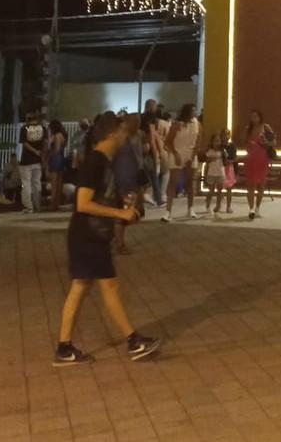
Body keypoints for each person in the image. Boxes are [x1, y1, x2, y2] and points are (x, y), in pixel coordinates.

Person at [54, 112, 160, 365]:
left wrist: (122, 203)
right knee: (100, 287)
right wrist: (120, 213)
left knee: (86, 287)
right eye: (122, 132)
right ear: (112, 133)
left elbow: (99, 196)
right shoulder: (96, 161)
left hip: (91, 234)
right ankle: (132, 340)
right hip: (89, 235)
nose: (126, 137)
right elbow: (83, 203)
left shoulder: (103, 160)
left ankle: (65, 347)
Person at [161, 104, 202, 222]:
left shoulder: (197, 124)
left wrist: (192, 157)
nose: (195, 113)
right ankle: (168, 212)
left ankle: (191, 208)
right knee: (173, 182)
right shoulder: (177, 124)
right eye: (192, 111)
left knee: (190, 182)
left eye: (195, 111)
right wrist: (176, 154)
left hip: (191, 153)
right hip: (177, 152)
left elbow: (198, 142)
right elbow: (167, 142)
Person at [112, 114, 145, 254]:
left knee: (129, 211)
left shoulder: (138, 137)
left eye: (139, 122)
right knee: (123, 212)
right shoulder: (121, 138)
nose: (137, 125)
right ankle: (119, 244)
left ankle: (117, 239)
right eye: (134, 122)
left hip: (133, 181)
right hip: (122, 181)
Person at [243, 111, 274, 220]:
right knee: (251, 184)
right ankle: (251, 209)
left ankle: (257, 208)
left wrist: (265, 142)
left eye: (256, 116)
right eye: (252, 117)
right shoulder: (248, 129)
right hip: (251, 158)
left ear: (260, 117)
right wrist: (249, 145)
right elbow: (244, 143)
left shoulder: (266, 127)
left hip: (262, 158)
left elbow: (273, 142)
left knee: (261, 185)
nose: (254, 119)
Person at [18, 110, 47, 214]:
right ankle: (37, 206)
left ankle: (28, 207)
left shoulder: (24, 128)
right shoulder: (42, 128)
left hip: (26, 160)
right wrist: (41, 155)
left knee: (26, 184)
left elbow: (24, 143)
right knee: (36, 183)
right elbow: (45, 143)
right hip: (37, 161)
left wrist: (34, 151)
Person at [140, 99, 164, 206]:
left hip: (140, 149)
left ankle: (156, 199)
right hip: (148, 151)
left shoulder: (140, 117)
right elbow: (152, 138)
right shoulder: (151, 120)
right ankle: (156, 198)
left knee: (146, 175)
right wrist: (156, 155)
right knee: (153, 175)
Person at [203, 133, 227, 219]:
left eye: (218, 141)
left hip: (220, 173)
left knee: (219, 191)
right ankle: (208, 205)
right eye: (215, 141)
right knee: (211, 191)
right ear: (212, 142)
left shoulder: (223, 151)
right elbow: (206, 162)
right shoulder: (209, 151)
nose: (217, 143)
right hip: (211, 173)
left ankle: (217, 207)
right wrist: (205, 174)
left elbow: (226, 161)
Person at [47, 120, 68, 210]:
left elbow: (56, 149)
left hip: (55, 159)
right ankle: (57, 203)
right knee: (59, 183)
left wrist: (49, 155)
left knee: (54, 184)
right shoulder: (63, 135)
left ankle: (53, 204)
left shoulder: (56, 136)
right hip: (61, 159)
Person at [220, 128, 237, 214]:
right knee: (219, 187)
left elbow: (235, 158)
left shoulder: (232, 146)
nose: (225, 136)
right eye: (224, 134)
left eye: (227, 134)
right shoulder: (219, 146)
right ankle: (219, 205)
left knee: (229, 188)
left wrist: (229, 161)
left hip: (229, 168)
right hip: (219, 168)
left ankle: (228, 206)